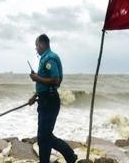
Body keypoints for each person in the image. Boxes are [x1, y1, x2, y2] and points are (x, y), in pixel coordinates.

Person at [28, 34, 77, 163]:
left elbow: (55, 80)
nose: (36, 48)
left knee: (44, 136)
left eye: (37, 45)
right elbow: (44, 84)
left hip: (50, 101)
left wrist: (37, 78)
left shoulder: (50, 58)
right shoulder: (45, 58)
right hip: (45, 99)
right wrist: (35, 95)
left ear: (43, 44)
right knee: (44, 136)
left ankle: (70, 155)